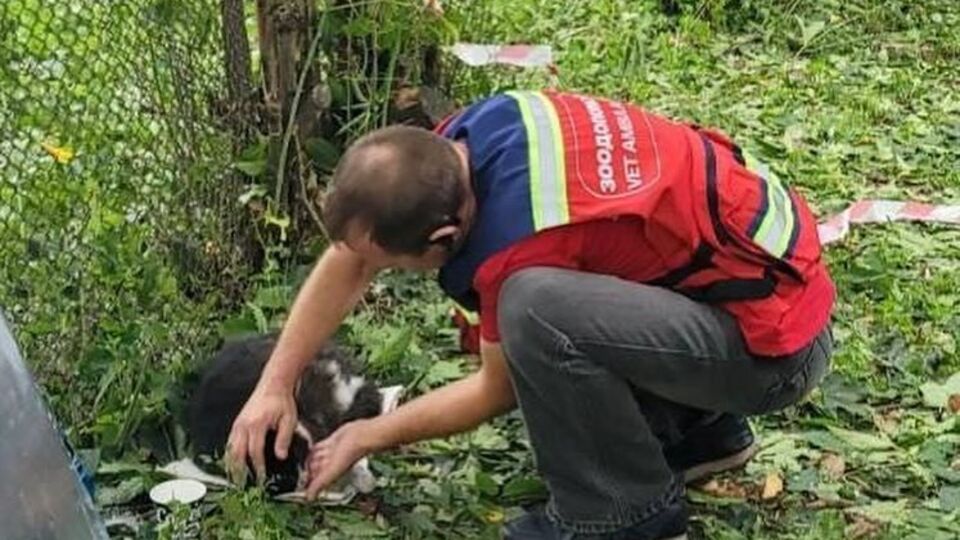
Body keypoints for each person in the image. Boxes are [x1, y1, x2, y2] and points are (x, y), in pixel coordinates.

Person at [226, 90, 835, 539]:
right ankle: (696, 432)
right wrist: (275, 383)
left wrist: (366, 434)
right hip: (751, 297)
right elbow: (352, 257)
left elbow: (495, 390)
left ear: (443, 236)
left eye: (394, 265)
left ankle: (623, 514)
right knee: (564, 302)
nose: (375, 271)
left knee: (536, 313)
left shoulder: (518, 245)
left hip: (774, 353)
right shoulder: (473, 137)